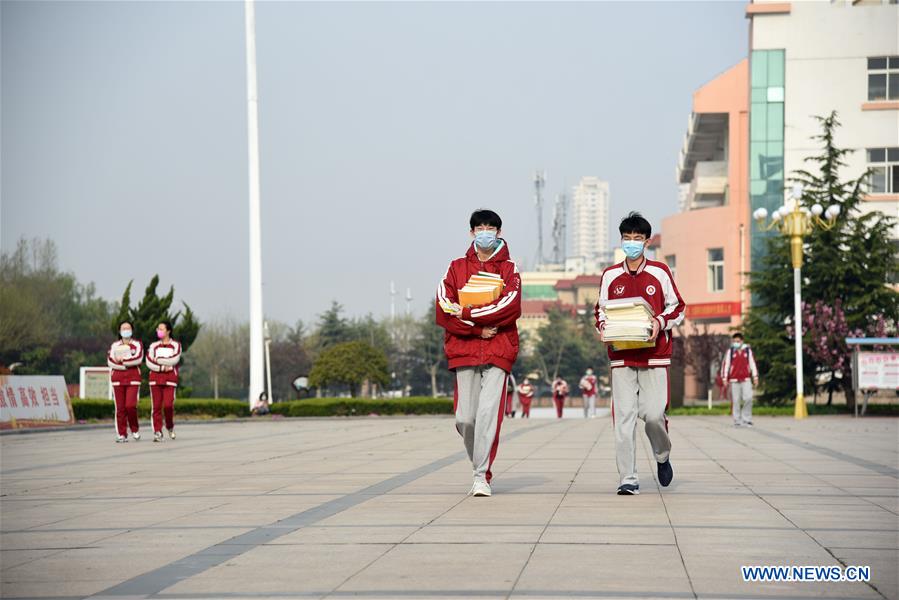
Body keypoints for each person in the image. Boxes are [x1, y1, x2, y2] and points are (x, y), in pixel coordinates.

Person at [595, 212, 685, 496]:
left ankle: (662, 455)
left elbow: (677, 307)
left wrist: (659, 322)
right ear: (621, 240)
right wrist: (603, 328)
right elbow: (600, 310)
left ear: (646, 242)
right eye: (627, 238)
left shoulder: (660, 272)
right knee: (623, 418)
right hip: (621, 355)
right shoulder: (610, 275)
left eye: (637, 238)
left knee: (654, 415)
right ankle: (628, 478)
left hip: (655, 354)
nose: (632, 242)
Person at [436, 209, 522, 497]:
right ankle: (479, 464)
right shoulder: (455, 268)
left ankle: (481, 475)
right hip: (465, 349)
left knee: (487, 416)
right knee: (465, 419)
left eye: (490, 228)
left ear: (499, 232)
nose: (485, 232)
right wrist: (476, 330)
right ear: (472, 232)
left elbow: (509, 307)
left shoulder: (510, 269)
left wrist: (467, 312)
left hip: (499, 349)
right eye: (480, 228)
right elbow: (444, 309)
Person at [107, 321, 143, 443]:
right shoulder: (115, 345)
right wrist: (125, 366)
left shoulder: (137, 344)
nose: (126, 330)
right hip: (118, 379)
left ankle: (134, 429)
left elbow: (138, 359)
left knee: (130, 406)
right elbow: (110, 361)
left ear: (132, 330)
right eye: (123, 328)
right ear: (119, 331)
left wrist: (123, 362)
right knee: (120, 408)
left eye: (128, 328)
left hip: (133, 378)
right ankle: (122, 434)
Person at [146, 321, 182, 442]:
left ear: (168, 331)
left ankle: (169, 426)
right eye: (158, 329)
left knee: (168, 406)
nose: (159, 331)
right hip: (155, 379)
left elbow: (174, 359)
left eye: (161, 329)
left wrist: (158, 359)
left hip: (170, 379)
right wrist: (162, 367)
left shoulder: (176, 345)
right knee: (156, 407)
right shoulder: (153, 346)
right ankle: (157, 432)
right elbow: (149, 361)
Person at [721, 332, 759, 427]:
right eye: (734, 341)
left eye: (738, 341)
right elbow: (726, 365)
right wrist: (725, 378)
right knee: (736, 400)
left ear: (742, 341)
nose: (736, 343)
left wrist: (755, 376)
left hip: (746, 379)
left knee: (748, 398)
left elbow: (752, 364)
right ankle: (737, 420)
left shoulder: (747, 351)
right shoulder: (730, 352)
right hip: (734, 380)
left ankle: (747, 419)